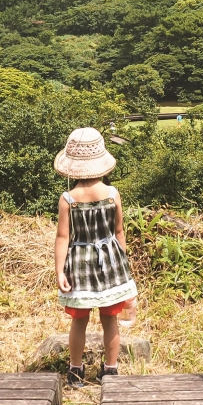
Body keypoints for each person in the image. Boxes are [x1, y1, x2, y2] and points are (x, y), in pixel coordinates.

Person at [54, 126, 138, 385]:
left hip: (79, 265)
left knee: (79, 321)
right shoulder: (112, 194)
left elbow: (62, 237)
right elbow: (119, 231)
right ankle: (111, 370)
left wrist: (59, 270)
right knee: (109, 319)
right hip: (110, 262)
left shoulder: (68, 198)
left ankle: (76, 370)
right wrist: (120, 263)